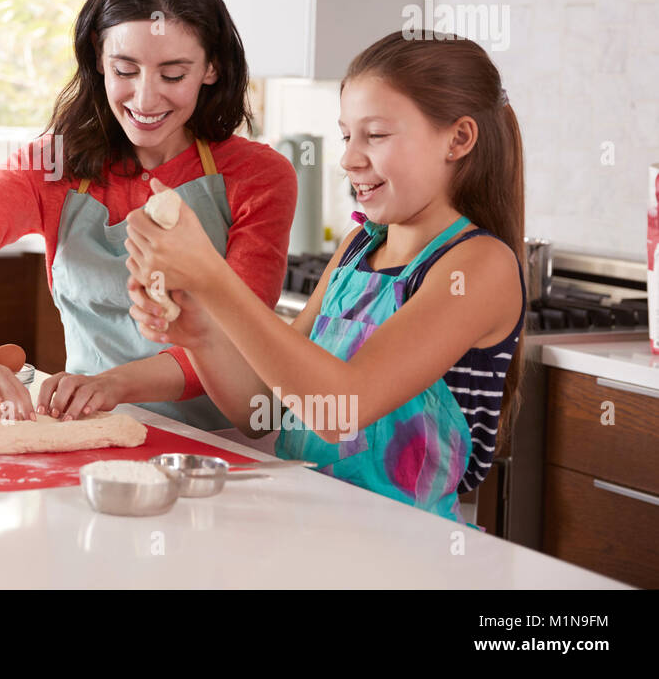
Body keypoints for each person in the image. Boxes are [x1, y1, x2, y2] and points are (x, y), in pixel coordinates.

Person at [125, 31, 527, 524]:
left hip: (409, 554)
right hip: (308, 530)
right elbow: (260, 410)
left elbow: (343, 409)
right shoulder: (358, 248)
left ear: (458, 139)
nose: (349, 158)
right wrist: (201, 334)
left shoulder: (478, 266)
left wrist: (214, 278)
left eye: (375, 135)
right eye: (346, 135)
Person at [0, 0, 296, 428]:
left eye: (173, 75)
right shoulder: (54, 166)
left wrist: (114, 384)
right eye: (125, 70)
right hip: (89, 432)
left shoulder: (258, 176)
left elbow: (239, 339)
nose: (146, 99)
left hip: (222, 444)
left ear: (211, 67)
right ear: (97, 59)